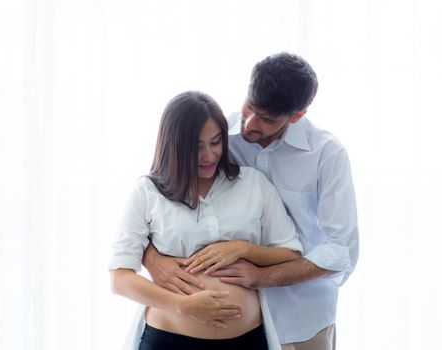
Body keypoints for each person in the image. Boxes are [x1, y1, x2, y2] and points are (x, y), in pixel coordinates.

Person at [143, 52, 359, 350]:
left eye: (267, 119)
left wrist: (261, 276)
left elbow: (341, 250)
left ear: (297, 116)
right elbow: (157, 200)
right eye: (250, 107)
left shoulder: (327, 154)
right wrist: (153, 261)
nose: (250, 123)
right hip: (235, 328)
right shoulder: (219, 137)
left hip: (302, 319)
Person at [109, 91, 303, 350]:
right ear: (173, 145)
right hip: (169, 340)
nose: (209, 156)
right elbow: (120, 278)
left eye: (215, 142)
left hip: (246, 340)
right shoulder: (148, 192)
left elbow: (290, 253)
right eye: (197, 147)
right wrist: (182, 305)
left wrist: (242, 249)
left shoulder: (253, 184)